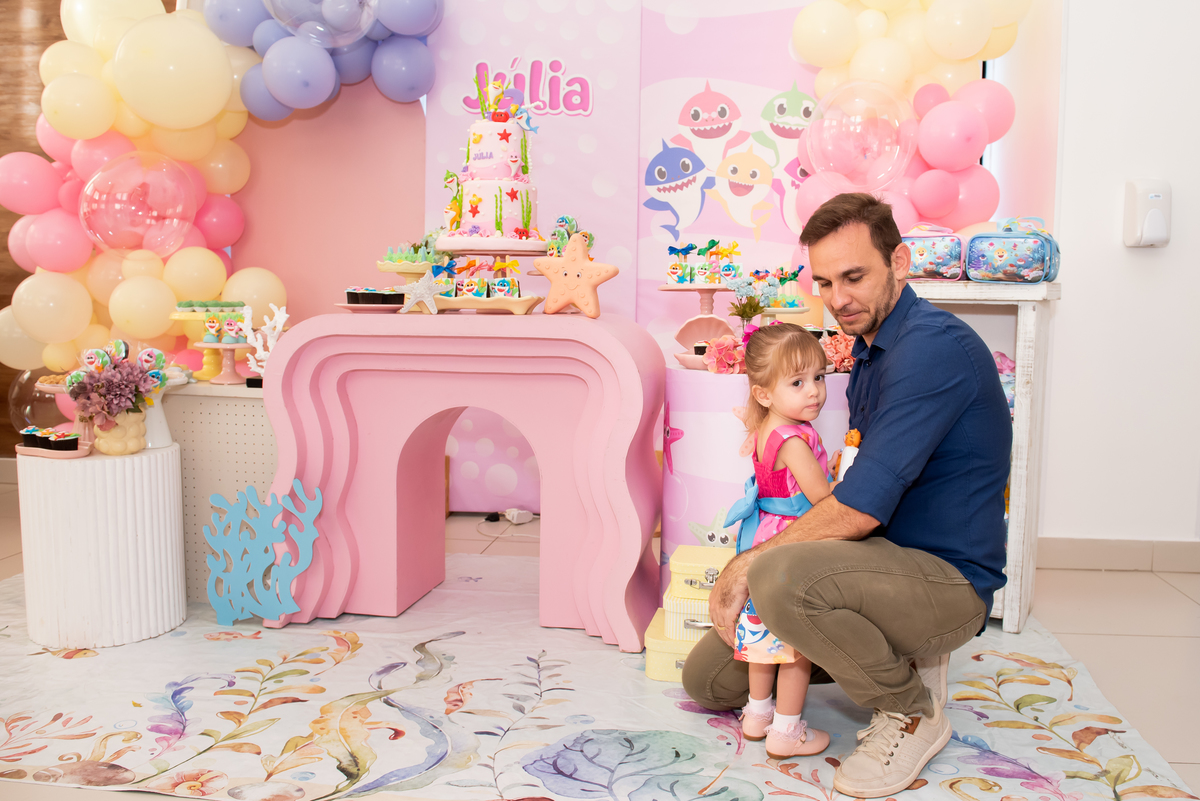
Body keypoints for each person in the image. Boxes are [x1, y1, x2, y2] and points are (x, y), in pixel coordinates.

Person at [682, 193, 1012, 798]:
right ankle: (884, 647)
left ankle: (912, 710)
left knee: (778, 577)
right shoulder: (868, 353)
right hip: (876, 563)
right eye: (825, 282)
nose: (838, 299)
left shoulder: (932, 348)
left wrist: (744, 565)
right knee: (709, 680)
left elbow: (859, 506)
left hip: (947, 579)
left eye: (854, 277)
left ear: (899, 263)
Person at [725, 323, 833, 759]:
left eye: (819, 377)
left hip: (764, 537)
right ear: (764, 393)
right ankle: (787, 732)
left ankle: (757, 715)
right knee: (795, 641)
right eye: (797, 382)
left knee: (762, 634)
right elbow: (822, 497)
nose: (814, 391)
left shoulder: (766, 427)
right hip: (791, 542)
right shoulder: (794, 441)